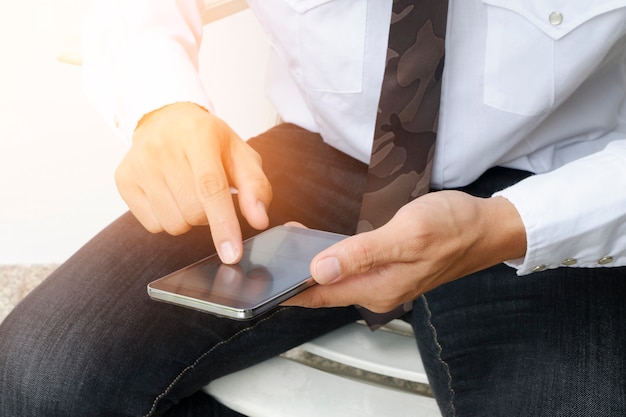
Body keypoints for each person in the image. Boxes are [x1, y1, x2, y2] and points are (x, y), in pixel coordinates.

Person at [1, 0, 625, 415]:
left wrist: (505, 227)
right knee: (34, 383)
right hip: (318, 154)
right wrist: (160, 103)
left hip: (550, 188)